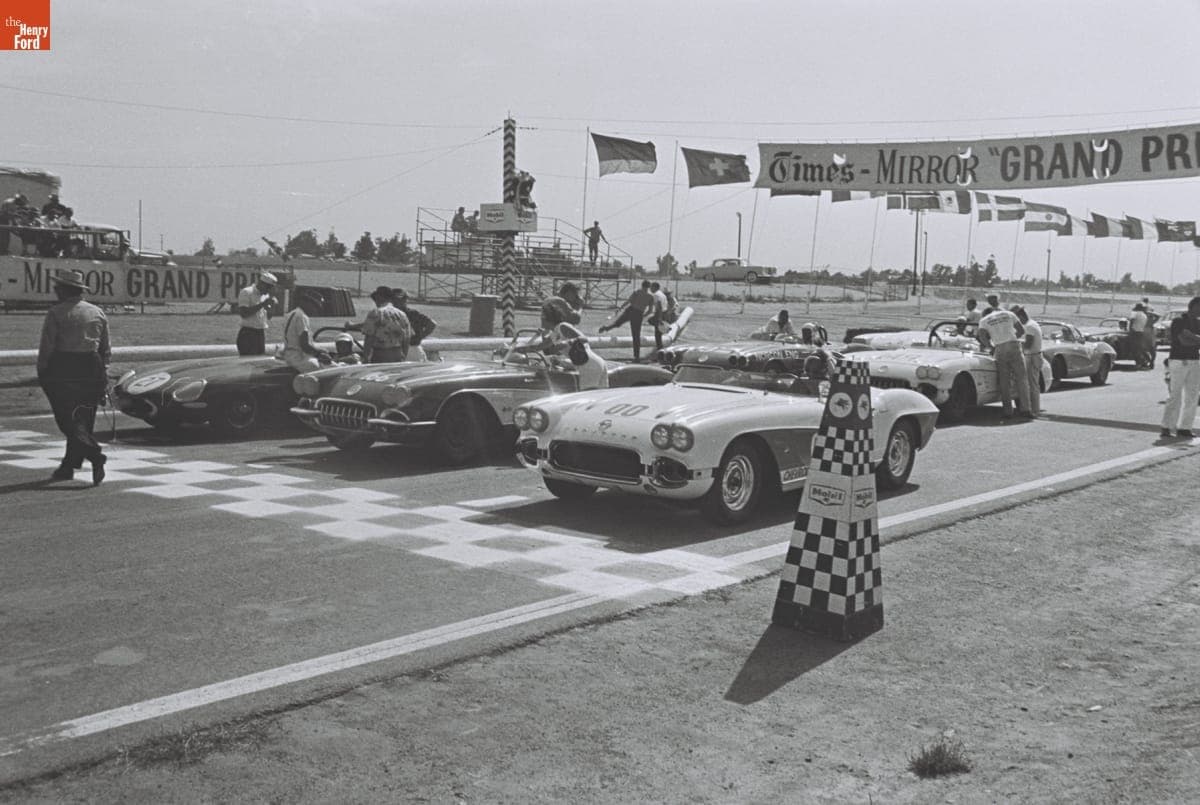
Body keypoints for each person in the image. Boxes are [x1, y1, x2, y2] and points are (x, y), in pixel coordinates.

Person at [36, 270, 111, 485]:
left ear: (65, 290)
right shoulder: (97, 312)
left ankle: (95, 454)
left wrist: (42, 371)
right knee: (83, 420)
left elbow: (47, 346)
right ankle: (69, 465)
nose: (55, 291)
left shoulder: (56, 313)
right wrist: (103, 374)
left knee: (67, 419)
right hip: (92, 367)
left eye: (58, 287)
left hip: (65, 367)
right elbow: (106, 348)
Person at [977, 303, 1032, 420]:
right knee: (1021, 378)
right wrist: (1011, 338)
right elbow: (1021, 331)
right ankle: (1026, 409)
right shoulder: (1009, 313)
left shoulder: (983, 320)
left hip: (999, 347)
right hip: (1013, 345)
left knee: (1004, 380)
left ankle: (1008, 411)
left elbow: (981, 337)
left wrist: (990, 347)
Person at [1161, 296, 1200, 439]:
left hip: (1194, 361)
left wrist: (1193, 337)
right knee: (1175, 394)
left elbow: (1189, 339)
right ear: (1194, 306)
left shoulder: (1197, 323)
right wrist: (1196, 339)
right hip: (1178, 360)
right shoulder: (1178, 321)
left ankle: (1185, 427)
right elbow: (1183, 341)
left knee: (1192, 395)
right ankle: (1166, 426)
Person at [599, 280, 654, 361]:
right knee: (636, 336)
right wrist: (642, 316)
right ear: (649, 287)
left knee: (617, 323)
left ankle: (606, 327)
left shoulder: (637, 292)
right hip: (639, 314)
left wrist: (620, 308)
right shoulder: (650, 296)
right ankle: (637, 356)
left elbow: (628, 301)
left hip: (630, 310)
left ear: (642, 285)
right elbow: (650, 311)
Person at [279, 291, 332, 372]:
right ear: (306, 303)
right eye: (314, 305)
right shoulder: (302, 316)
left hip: (289, 354)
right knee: (326, 367)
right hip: (299, 357)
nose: (315, 309)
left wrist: (320, 350)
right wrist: (319, 354)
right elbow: (305, 345)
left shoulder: (290, 314)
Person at [361, 285, 411, 363]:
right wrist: (403, 356)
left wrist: (365, 358)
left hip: (381, 354)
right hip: (397, 353)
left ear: (379, 298)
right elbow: (407, 339)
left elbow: (369, 338)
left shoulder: (375, 313)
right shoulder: (402, 314)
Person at [235, 271, 278, 356]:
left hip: (260, 333)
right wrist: (262, 304)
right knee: (248, 362)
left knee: (259, 362)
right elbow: (244, 313)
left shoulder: (265, 295)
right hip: (248, 333)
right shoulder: (247, 292)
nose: (269, 290)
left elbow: (268, 317)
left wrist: (273, 306)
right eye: (268, 287)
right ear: (262, 284)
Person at [1013, 305, 1043, 416]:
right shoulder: (1032, 324)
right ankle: (1032, 408)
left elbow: (1028, 345)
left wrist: (1017, 343)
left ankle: (1035, 410)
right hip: (1034, 355)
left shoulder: (1029, 327)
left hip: (1032, 356)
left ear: (1021, 316)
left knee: (1032, 384)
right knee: (1032, 384)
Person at [392, 287, 436, 361]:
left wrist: (419, 337)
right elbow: (432, 324)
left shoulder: (389, 314)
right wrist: (420, 337)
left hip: (402, 349)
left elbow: (432, 324)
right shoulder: (413, 313)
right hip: (413, 349)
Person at [1128, 303, 1152, 370]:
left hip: (1134, 332)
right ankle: (1145, 361)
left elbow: (1131, 321)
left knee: (1134, 349)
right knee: (1139, 348)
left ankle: (1139, 363)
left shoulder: (1135, 313)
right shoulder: (1144, 315)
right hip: (1141, 332)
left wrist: (1130, 329)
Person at [648, 281, 669, 352]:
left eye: (651, 287)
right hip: (664, 312)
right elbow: (666, 305)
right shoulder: (662, 294)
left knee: (657, 335)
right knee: (659, 333)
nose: (650, 289)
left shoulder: (656, 295)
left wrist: (659, 318)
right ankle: (660, 348)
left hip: (659, 314)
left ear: (654, 287)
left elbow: (659, 306)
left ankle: (660, 350)